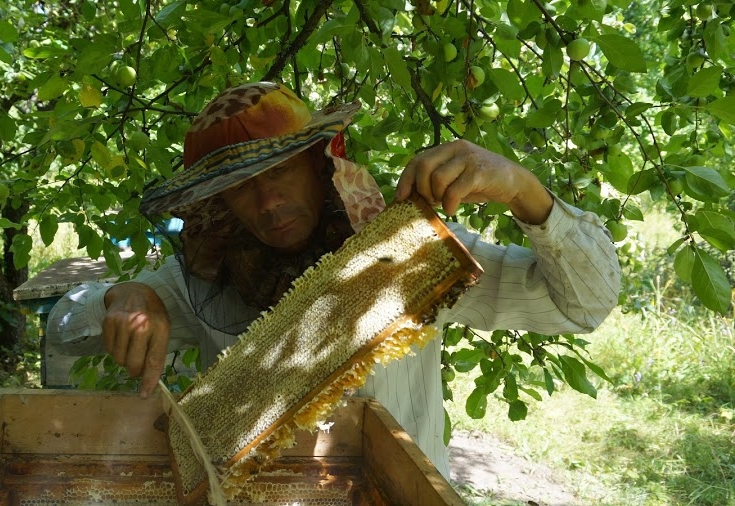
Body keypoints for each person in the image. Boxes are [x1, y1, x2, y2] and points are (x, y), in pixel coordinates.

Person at [47, 81, 620, 477]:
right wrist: (123, 296)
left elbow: (580, 306)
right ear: (218, 201)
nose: (268, 201)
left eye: (281, 170)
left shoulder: (411, 253)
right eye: (243, 185)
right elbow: (68, 319)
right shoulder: (202, 274)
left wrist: (526, 193)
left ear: (322, 163)